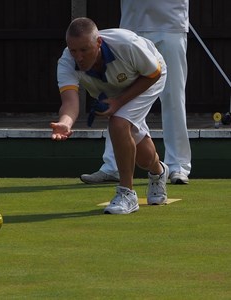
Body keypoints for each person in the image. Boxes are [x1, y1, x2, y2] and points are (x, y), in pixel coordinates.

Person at [50, 17, 169, 214]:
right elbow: (70, 102)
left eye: (84, 50)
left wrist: (119, 103)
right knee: (144, 159)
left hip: (148, 76)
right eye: (73, 50)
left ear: (98, 43)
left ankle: (127, 194)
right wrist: (65, 123)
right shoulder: (66, 62)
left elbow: (153, 73)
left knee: (118, 123)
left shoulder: (127, 45)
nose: (78, 57)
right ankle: (158, 172)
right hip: (114, 89)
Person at [81, 0, 191, 185]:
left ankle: (178, 165)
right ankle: (112, 165)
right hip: (132, 26)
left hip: (171, 24)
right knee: (118, 96)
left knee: (173, 97)